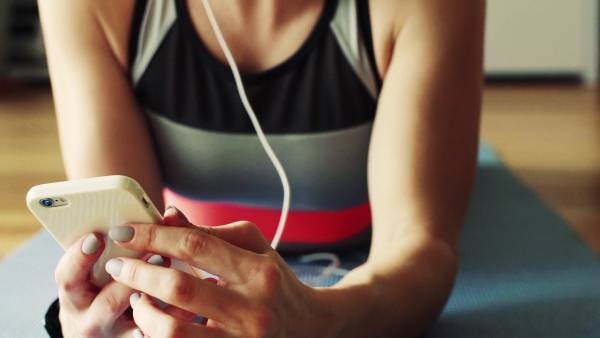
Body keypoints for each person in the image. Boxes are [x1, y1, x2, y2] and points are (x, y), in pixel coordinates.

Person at [38, 0, 485, 336]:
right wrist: (104, 316)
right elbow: (122, 242)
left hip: (369, 224)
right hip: (195, 217)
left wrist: (319, 320)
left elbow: (419, 243)